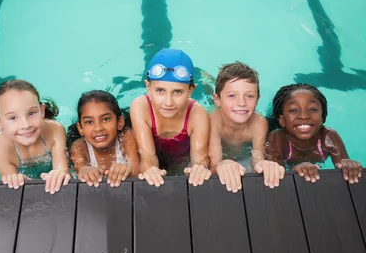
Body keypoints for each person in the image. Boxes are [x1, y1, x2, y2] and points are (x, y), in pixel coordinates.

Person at [130, 48, 211, 187]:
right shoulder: (141, 107)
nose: (168, 102)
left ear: (190, 91)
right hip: (154, 156)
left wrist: (198, 170)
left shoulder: (197, 114)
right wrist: (151, 171)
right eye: (160, 90)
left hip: (182, 161)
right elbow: (147, 157)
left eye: (178, 92)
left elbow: (199, 159)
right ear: (148, 87)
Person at [209, 62, 284, 192]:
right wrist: (222, 164)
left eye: (249, 96)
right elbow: (214, 163)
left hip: (241, 157)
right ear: (218, 100)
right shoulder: (212, 120)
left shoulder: (259, 123)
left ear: (258, 99)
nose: (242, 103)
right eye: (232, 96)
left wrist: (263, 165)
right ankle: (208, 82)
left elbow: (257, 158)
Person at [267, 83, 362, 183]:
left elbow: (343, 164)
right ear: (282, 120)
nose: (304, 116)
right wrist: (293, 172)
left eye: (312, 109)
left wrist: (349, 165)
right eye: (293, 110)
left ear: (323, 116)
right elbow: (274, 174)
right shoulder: (277, 138)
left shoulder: (328, 137)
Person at [0, 80, 71, 194]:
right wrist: (16, 181)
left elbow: (63, 170)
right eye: (13, 118)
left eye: (32, 113)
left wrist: (59, 173)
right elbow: (13, 192)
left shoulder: (55, 130)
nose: (26, 125)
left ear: (42, 111)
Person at [70, 90, 139, 187]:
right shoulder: (79, 147)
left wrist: (127, 169)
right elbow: (80, 169)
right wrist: (84, 170)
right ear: (80, 128)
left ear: (120, 122)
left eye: (105, 119)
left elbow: (136, 171)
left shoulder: (126, 137)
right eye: (89, 122)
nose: (98, 128)